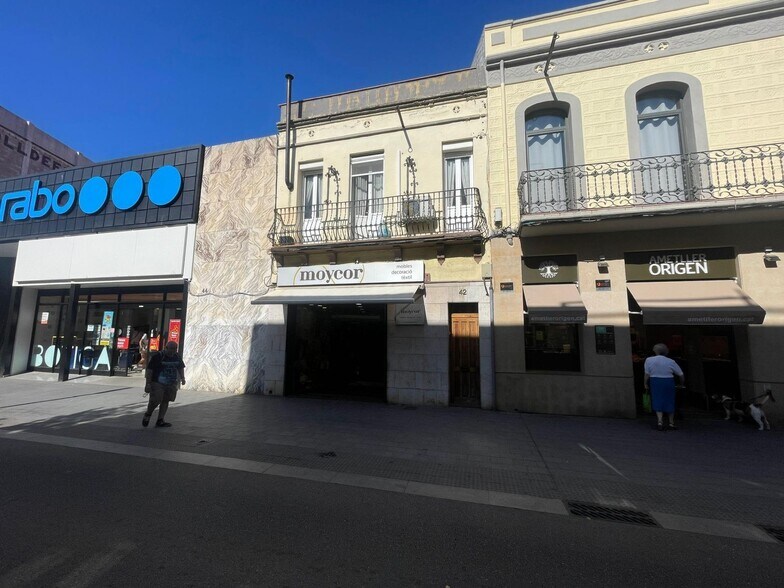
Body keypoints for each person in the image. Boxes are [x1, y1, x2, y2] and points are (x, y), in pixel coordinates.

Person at [142, 341, 186, 428]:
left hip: (171, 383)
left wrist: (182, 378)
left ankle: (160, 420)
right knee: (155, 400)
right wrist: (148, 384)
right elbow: (150, 370)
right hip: (157, 382)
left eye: (175, 349)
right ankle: (148, 414)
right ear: (166, 348)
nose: (173, 351)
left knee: (166, 400)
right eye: (171, 349)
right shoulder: (158, 356)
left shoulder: (177, 356)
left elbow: (180, 367)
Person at [644, 343, 685, 431]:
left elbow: (647, 374)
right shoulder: (670, 361)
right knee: (670, 400)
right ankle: (671, 423)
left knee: (657, 400)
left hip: (655, 381)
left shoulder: (649, 360)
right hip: (668, 381)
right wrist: (681, 384)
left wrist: (645, 383)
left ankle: (660, 421)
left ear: (655, 350)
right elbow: (681, 374)